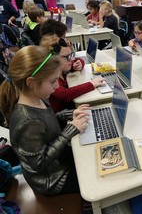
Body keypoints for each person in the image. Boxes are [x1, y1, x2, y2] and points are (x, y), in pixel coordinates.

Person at [0, 45, 90, 195]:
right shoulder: (26, 120)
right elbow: (39, 164)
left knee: (92, 153)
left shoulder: (37, 97)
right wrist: (70, 130)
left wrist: (70, 114)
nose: (56, 86)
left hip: (58, 161)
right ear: (31, 82)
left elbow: (47, 121)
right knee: (96, 174)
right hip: (52, 180)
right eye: (53, 81)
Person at [40, 35, 105, 113]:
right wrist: (91, 84)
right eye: (66, 57)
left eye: (71, 54)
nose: (72, 59)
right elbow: (64, 95)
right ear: (52, 59)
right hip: (64, 114)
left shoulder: (63, 66)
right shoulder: (50, 77)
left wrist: (79, 64)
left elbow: (77, 60)